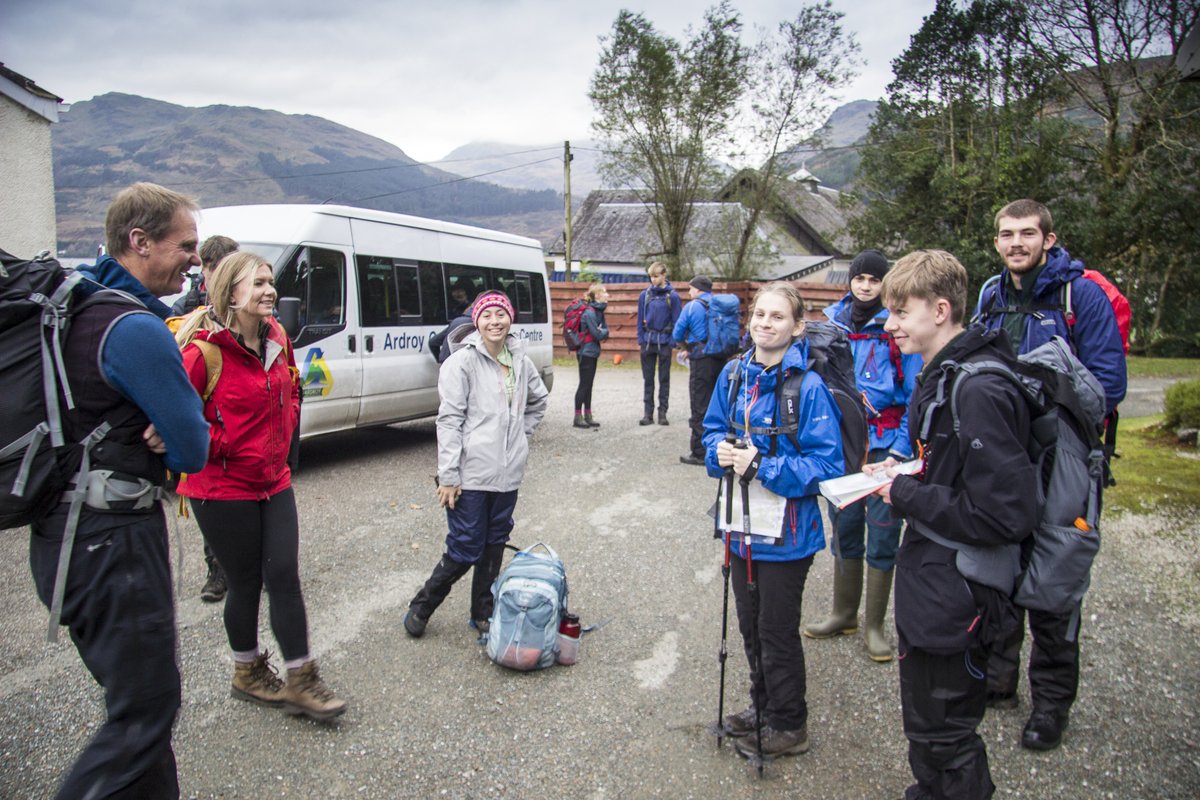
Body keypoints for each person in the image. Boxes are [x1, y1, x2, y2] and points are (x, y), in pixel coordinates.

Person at [29, 182, 210, 799]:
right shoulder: (133, 328)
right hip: (114, 545)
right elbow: (193, 447)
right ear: (140, 241)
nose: (195, 257)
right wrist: (176, 426)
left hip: (65, 535)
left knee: (139, 705)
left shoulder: (75, 309)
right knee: (143, 716)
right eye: (185, 245)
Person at [872, 250, 1039, 799]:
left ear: (940, 310)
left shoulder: (979, 389)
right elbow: (955, 469)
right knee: (926, 723)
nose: (889, 322)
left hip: (959, 590)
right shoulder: (941, 375)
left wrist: (905, 492)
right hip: (933, 578)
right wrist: (906, 471)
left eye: (900, 311)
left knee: (946, 732)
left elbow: (1003, 513)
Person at [975, 199, 1127, 751]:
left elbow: (1109, 384)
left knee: (1057, 575)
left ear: (1049, 238)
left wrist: (1033, 392)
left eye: (1027, 234)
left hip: (1064, 454)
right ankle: (998, 679)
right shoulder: (991, 295)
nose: (1016, 243)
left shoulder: (1078, 295)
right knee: (1000, 562)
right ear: (997, 242)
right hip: (1004, 452)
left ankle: (1052, 704)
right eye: (1006, 234)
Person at [174, 252, 347, 722]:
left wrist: (287, 422)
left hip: (274, 480)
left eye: (271, 281)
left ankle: (301, 678)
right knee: (245, 581)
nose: (271, 290)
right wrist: (226, 445)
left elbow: (291, 385)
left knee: (285, 576)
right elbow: (179, 420)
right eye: (259, 284)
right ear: (231, 292)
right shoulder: (202, 352)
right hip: (222, 487)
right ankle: (246, 671)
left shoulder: (277, 337)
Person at [704, 281, 844, 759]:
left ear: (797, 326)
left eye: (777, 317)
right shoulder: (733, 375)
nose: (764, 323)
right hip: (740, 527)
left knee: (776, 630)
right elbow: (710, 433)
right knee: (748, 624)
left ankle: (790, 724)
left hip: (788, 536)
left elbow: (829, 466)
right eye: (759, 315)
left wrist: (765, 467)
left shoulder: (808, 387)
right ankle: (763, 706)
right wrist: (717, 453)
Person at [404, 290, 549, 637]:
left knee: (495, 541)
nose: (495, 321)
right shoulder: (461, 362)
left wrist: (518, 437)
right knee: (466, 546)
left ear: (510, 318)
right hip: (469, 475)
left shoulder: (520, 360)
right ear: (477, 321)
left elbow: (538, 401)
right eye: (487, 315)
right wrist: (449, 475)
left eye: (501, 314)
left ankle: (482, 613)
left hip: (507, 473)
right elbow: (449, 421)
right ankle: (423, 605)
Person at [804, 250, 922, 662]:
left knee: (885, 528)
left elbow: (914, 400)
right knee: (845, 524)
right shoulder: (830, 324)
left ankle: (874, 625)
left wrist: (902, 451)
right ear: (850, 281)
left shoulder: (898, 330)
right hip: (843, 445)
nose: (866, 286)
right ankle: (843, 613)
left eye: (875, 279)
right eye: (860, 278)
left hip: (888, 445)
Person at [170, 234, 240, 603]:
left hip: (238, 418)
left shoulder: (251, 305)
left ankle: (246, 566)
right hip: (208, 416)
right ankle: (217, 572)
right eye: (214, 269)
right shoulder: (190, 305)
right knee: (210, 501)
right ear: (207, 269)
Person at [675, 275, 729, 465]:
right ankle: (719, 446)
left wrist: (685, 348)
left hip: (701, 359)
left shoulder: (693, 306)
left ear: (697, 289)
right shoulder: (719, 305)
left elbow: (677, 332)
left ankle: (699, 451)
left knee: (699, 405)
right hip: (721, 358)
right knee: (718, 402)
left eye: (690, 289)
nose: (689, 292)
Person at [636, 262, 681, 426]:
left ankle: (663, 412)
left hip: (664, 342)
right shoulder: (645, 295)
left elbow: (677, 320)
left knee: (664, 379)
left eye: (656, 276)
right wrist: (640, 339)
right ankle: (648, 413)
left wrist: (672, 341)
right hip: (648, 343)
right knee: (648, 380)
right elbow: (639, 318)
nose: (653, 280)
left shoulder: (673, 296)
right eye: (651, 277)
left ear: (663, 275)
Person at [171, 234, 238, 316]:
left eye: (230, 273)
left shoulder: (247, 302)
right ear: (203, 268)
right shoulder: (183, 308)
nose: (223, 284)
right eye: (216, 278)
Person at [573, 283, 610, 429]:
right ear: (598, 295)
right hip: (585, 353)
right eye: (605, 292)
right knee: (584, 385)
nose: (607, 295)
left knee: (589, 385)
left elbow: (604, 330)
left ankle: (588, 415)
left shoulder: (599, 312)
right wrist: (603, 332)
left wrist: (603, 332)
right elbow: (597, 333)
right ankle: (577, 417)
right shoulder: (589, 312)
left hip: (592, 352)